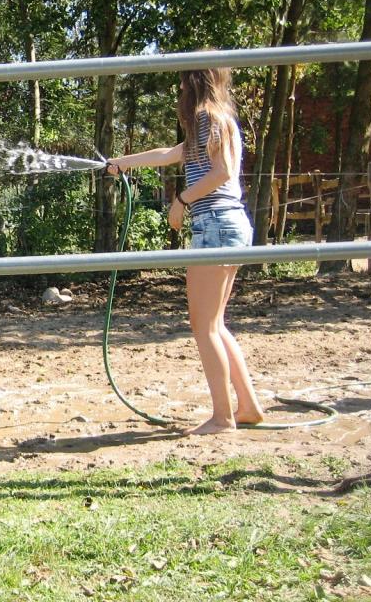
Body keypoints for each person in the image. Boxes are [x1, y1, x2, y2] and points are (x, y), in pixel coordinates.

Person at [106, 66, 265, 436]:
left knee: (203, 326)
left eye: (181, 82)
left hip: (216, 225)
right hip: (228, 225)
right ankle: (248, 407)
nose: (178, 88)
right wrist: (123, 163)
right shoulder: (215, 120)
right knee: (216, 325)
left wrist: (181, 199)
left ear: (194, 83)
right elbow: (171, 154)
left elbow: (222, 171)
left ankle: (223, 418)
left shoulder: (209, 116)